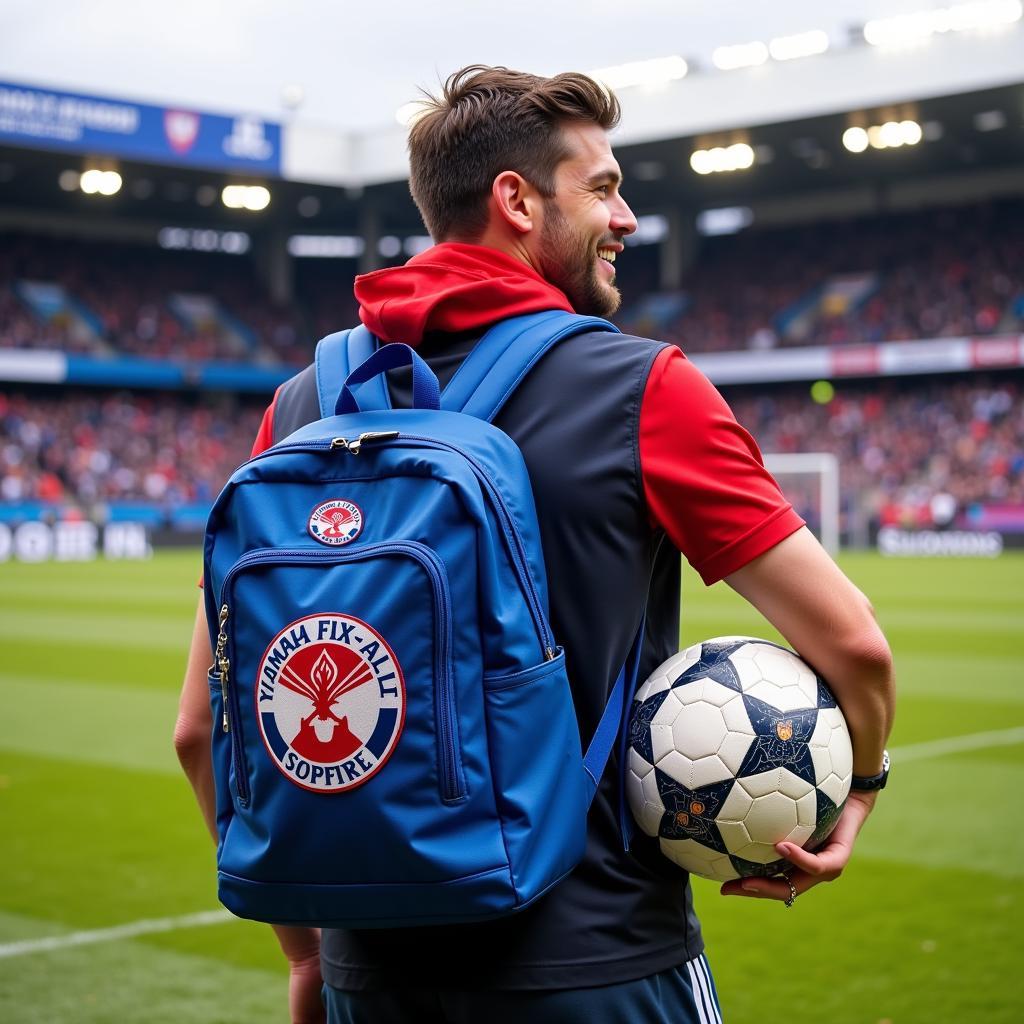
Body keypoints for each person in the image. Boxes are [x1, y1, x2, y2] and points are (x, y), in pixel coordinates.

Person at [175, 65, 895, 1024]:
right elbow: (854, 646)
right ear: (515, 200)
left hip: (366, 978)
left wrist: (311, 961)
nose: (628, 217)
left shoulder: (300, 409)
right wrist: (863, 788)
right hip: (597, 965)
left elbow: (201, 731)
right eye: (602, 187)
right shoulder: (644, 387)